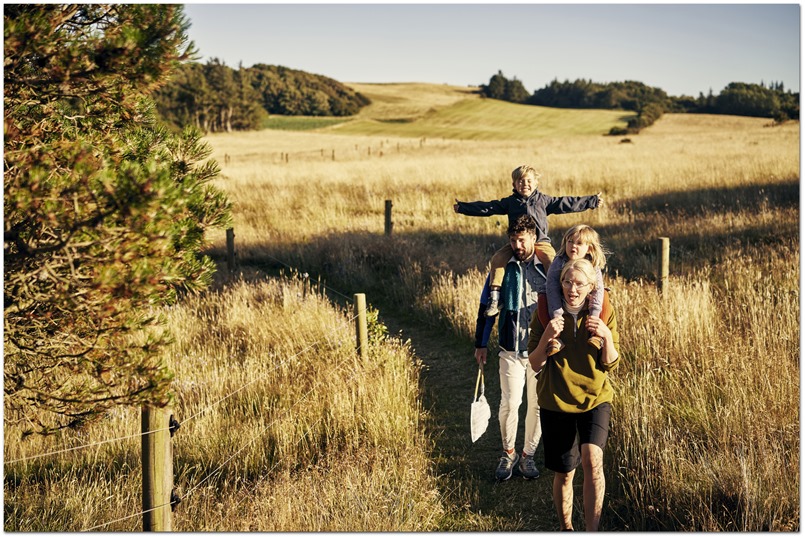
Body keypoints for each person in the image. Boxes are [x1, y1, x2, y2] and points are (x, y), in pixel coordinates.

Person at [527, 258, 620, 532]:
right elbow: (534, 363)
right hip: (556, 399)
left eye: (580, 283)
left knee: (593, 460)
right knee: (565, 473)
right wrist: (546, 338)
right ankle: (566, 528)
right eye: (567, 282)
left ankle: (592, 530)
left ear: (591, 287)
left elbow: (611, 362)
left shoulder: (603, 313)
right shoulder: (545, 314)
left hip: (595, 397)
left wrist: (607, 337)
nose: (572, 288)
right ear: (560, 283)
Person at [454, 164, 603, 317]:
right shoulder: (510, 202)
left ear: (536, 183)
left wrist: (591, 201)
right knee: (497, 259)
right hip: (516, 243)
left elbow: (566, 203)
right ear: (514, 184)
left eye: (528, 181)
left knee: (551, 260)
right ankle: (495, 297)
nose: (524, 184)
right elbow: (488, 208)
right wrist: (463, 207)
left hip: (540, 242)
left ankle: (558, 295)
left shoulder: (543, 200)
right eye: (520, 181)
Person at [473, 214, 546, 481]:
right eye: (513, 240)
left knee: (537, 405)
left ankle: (528, 455)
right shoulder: (502, 268)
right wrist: (481, 343)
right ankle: (508, 453)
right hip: (510, 347)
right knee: (511, 403)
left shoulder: (547, 268)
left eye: (522, 240)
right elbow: (486, 307)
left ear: (533, 239)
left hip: (541, 350)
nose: (518, 245)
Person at [542, 224, 611, 355]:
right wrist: (556, 315)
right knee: (541, 299)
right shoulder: (559, 261)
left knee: (605, 296)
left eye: (579, 243)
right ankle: (554, 339)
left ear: (589, 248)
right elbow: (551, 287)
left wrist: (594, 314)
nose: (573, 246)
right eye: (570, 241)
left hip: (584, 298)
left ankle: (596, 335)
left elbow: (598, 289)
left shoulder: (592, 264)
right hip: (560, 295)